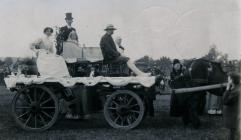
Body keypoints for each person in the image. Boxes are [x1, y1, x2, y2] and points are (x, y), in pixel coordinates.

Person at [223, 72, 240, 140]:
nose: (228, 80)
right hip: (235, 114)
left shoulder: (235, 92)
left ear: (231, 80)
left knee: (232, 131)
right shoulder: (237, 88)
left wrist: (227, 89)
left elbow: (225, 101)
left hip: (233, 115)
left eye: (229, 78)